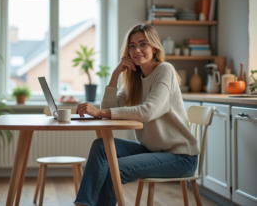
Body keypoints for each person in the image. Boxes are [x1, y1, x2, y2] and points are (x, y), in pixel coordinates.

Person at [74, 24, 199, 206]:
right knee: (101, 146)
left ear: (154, 47)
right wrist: (116, 74)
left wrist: (100, 112)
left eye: (143, 44)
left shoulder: (165, 70)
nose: (137, 50)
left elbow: (147, 111)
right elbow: (109, 107)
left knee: (114, 168)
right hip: (152, 149)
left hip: (181, 157)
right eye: (132, 46)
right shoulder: (135, 78)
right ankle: (83, 204)